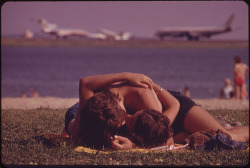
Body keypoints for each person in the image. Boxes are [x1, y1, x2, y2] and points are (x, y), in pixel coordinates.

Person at [61, 72, 249, 149]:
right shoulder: (88, 124)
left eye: (126, 117)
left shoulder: (147, 100)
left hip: (170, 105)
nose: (126, 119)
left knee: (224, 135)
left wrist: (129, 75)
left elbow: (167, 133)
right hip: (153, 122)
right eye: (123, 122)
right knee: (188, 136)